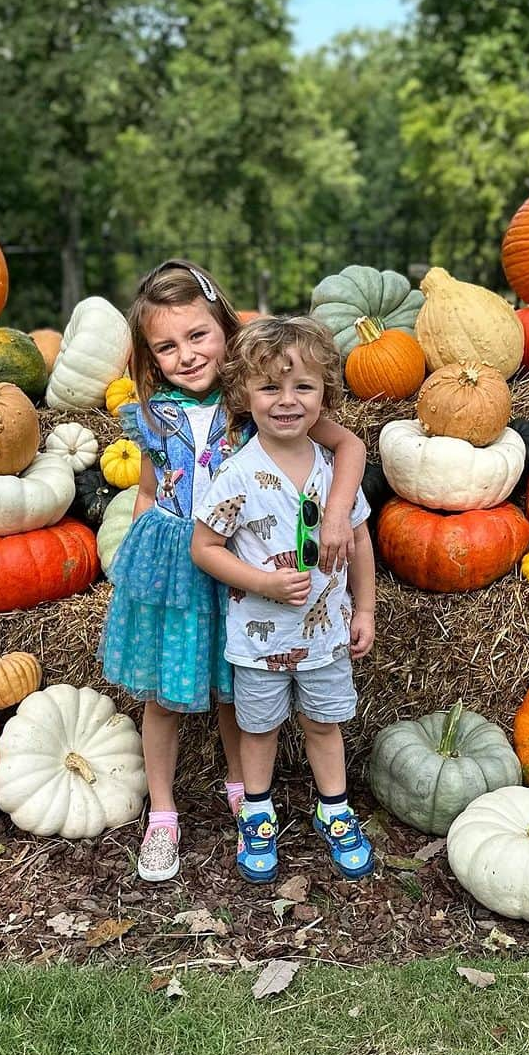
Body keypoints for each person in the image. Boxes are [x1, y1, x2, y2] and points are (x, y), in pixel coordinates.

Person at [99, 261, 366, 883]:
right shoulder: (149, 415)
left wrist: (333, 517)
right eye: (167, 346)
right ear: (150, 356)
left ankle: (247, 794)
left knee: (231, 682)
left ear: (225, 328)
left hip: (244, 559)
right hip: (173, 558)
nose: (186, 355)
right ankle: (162, 813)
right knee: (166, 693)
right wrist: (135, 555)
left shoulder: (256, 395)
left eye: (198, 337)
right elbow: (147, 490)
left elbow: (349, 445)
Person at [191, 315, 376, 884]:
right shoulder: (238, 474)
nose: (287, 401)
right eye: (271, 387)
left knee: (323, 724)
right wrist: (262, 581)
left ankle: (335, 809)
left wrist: (364, 609)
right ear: (246, 394)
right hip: (259, 640)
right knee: (260, 728)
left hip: (325, 637)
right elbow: (205, 547)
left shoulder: (330, 469)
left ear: (325, 393)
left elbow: (361, 540)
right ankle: (258, 812)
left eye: (303, 387)